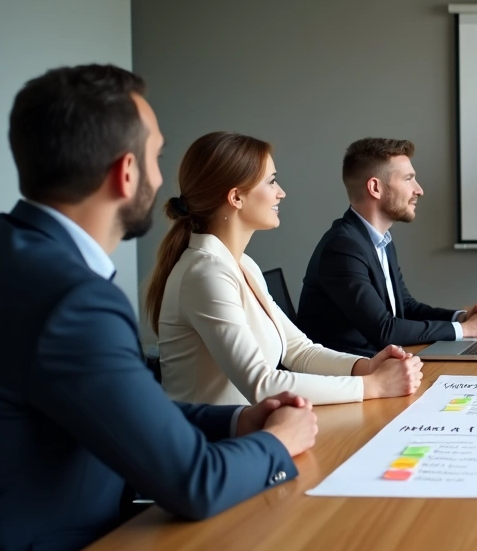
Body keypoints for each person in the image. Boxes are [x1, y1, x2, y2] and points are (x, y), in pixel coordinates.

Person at [0, 65, 318, 551]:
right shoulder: (74, 301)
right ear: (125, 173)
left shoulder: (17, 257)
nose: (161, 177)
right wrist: (279, 441)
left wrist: (237, 420)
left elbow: (125, 408)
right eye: (155, 157)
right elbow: (196, 483)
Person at [147, 132, 423, 406]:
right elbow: (262, 384)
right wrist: (371, 385)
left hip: (249, 432)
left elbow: (299, 350)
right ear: (236, 197)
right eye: (271, 181)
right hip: (215, 442)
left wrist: (367, 367)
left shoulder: (242, 265)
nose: (281, 192)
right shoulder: (205, 274)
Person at [297, 138, 477, 355]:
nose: (419, 190)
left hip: (379, 366)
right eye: (408, 179)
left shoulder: (380, 239)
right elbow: (385, 330)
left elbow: (405, 307)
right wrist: (466, 329)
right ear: (375, 187)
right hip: (349, 378)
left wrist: (461, 317)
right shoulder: (342, 248)